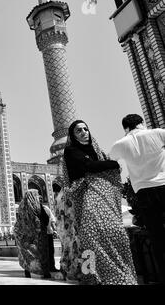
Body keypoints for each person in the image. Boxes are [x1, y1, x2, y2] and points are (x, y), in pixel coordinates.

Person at [61, 119, 137, 285]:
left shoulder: (97, 150)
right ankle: (92, 276)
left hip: (105, 194)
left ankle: (120, 274)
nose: (83, 132)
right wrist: (111, 164)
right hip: (86, 195)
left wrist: (106, 165)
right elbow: (87, 165)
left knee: (116, 233)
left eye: (85, 129)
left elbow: (97, 164)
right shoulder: (71, 151)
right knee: (90, 235)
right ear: (73, 136)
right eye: (78, 131)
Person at [109, 114, 165, 284]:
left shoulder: (121, 143)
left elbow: (111, 160)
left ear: (125, 128)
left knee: (157, 236)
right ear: (142, 123)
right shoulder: (158, 133)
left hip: (143, 191)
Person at [14, 189, 50, 278]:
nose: (37, 197)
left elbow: (18, 222)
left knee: (27, 253)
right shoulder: (36, 206)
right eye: (36, 195)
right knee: (41, 252)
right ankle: (44, 272)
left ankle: (27, 271)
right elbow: (45, 218)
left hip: (25, 236)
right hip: (38, 236)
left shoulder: (21, 207)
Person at [42, 204, 59, 272]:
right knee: (43, 252)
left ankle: (52, 266)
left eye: (41, 198)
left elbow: (52, 219)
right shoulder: (34, 208)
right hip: (40, 234)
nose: (40, 199)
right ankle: (44, 268)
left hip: (48, 232)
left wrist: (55, 229)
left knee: (51, 251)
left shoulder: (46, 208)